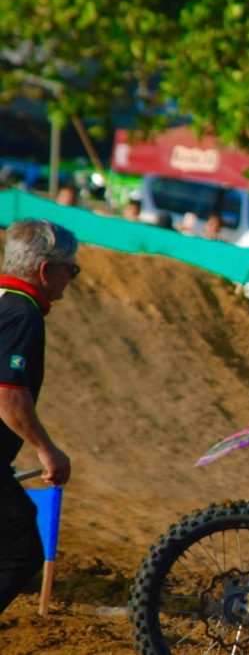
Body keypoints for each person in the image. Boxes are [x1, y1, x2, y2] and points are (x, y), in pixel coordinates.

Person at [0, 219, 77, 614]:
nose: (72, 278)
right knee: (21, 552)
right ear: (46, 270)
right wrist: (48, 451)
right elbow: (10, 396)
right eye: (72, 269)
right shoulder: (22, 314)